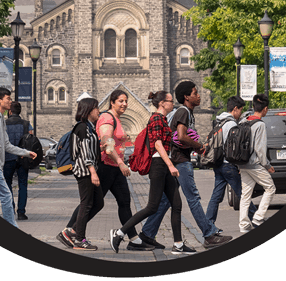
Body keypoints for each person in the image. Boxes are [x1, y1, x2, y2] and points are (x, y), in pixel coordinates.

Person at [139, 81, 232, 249]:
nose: (199, 96)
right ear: (187, 97)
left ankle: (146, 234)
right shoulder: (183, 112)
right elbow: (181, 137)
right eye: (195, 93)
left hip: (176, 161)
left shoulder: (185, 112)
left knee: (165, 201)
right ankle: (209, 235)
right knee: (193, 198)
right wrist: (199, 146)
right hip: (180, 162)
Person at [64, 89, 153, 252]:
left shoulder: (117, 119)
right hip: (106, 167)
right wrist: (120, 162)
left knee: (123, 202)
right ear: (112, 102)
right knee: (91, 203)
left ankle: (134, 239)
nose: (125, 104)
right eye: (121, 101)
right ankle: (71, 231)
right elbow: (107, 142)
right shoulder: (106, 118)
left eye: (126, 101)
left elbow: (111, 143)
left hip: (114, 168)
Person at [110, 91, 196, 255]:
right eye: (170, 101)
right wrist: (171, 165)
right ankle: (119, 233)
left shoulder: (163, 119)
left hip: (164, 164)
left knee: (176, 204)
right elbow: (157, 144)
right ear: (162, 103)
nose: (173, 104)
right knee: (152, 206)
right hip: (159, 165)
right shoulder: (156, 118)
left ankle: (178, 244)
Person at [57, 98, 105, 251]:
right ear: (88, 110)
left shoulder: (90, 128)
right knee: (86, 204)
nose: (99, 111)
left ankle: (72, 231)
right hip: (85, 171)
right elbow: (84, 153)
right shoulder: (82, 127)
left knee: (98, 203)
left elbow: (90, 149)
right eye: (96, 108)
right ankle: (79, 238)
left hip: (90, 170)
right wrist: (93, 173)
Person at [0, 88, 37, 228]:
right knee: (6, 196)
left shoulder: (1, 119)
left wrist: (27, 152)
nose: (10, 101)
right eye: (7, 98)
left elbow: (7, 145)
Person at [205, 96, 257, 226]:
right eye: (240, 110)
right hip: (229, 165)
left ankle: (208, 224)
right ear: (235, 109)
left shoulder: (219, 122)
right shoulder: (232, 124)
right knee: (243, 194)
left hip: (218, 164)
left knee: (216, 196)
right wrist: (238, 165)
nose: (240, 113)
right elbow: (234, 148)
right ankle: (257, 220)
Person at [238, 93, 276, 233]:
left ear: (254, 106)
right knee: (270, 188)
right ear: (265, 109)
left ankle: (243, 225)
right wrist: (267, 166)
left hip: (242, 163)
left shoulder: (243, 121)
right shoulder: (260, 124)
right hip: (254, 164)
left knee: (245, 194)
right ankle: (258, 218)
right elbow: (260, 150)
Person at [3, 101, 33, 220]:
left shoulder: (4, 124)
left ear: (10, 111)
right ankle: (21, 212)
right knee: (23, 184)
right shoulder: (26, 124)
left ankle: (11, 208)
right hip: (22, 157)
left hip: (8, 157)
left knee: (8, 184)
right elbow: (31, 139)